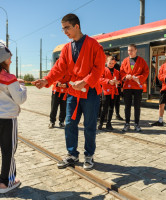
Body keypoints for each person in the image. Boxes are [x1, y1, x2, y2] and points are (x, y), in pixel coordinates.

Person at [32, 13, 105, 170]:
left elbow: (99, 68)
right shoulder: (66, 49)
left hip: (90, 92)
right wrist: (46, 80)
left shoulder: (94, 44)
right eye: (63, 29)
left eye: (67, 28)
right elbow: (59, 68)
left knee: (90, 125)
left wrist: (85, 81)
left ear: (76, 26)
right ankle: (72, 154)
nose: (65, 32)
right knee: (70, 123)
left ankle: (89, 155)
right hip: (73, 92)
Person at [0, 43, 27, 193]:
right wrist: (22, 87)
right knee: (8, 150)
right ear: (3, 59)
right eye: (9, 58)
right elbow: (20, 99)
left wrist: (17, 83)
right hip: (7, 118)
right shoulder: (9, 77)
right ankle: (6, 182)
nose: (11, 60)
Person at [120, 44, 149, 132]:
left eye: (132, 50)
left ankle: (136, 124)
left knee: (137, 106)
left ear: (136, 50)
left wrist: (139, 78)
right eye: (128, 50)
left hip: (137, 86)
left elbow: (146, 72)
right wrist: (125, 77)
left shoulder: (141, 61)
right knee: (127, 106)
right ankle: (127, 123)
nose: (130, 52)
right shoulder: (125, 61)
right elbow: (121, 72)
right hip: (127, 86)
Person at [151, 50, 166, 126]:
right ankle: (160, 121)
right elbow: (159, 76)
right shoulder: (163, 66)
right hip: (164, 88)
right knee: (161, 104)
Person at [98, 56, 120, 131]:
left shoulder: (117, 72)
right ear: (106, 62)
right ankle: (101, 123)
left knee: (111, 108)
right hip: (106, 92)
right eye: (110, 63)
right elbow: (99, 79)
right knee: (104, 108)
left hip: (114, 92)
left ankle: (108, 123)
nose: (111, 65)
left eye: (112, 63)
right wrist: (108, 81)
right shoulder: (103, 70)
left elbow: (119, 80)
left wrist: (118, 82)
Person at [113, 55, 123, 120]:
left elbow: (121, 77)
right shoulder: (107, 67)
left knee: (117, 101)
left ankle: (117, 114)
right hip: (109, 87)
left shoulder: (118, 67)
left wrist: (121, 86)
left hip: (117, 87)